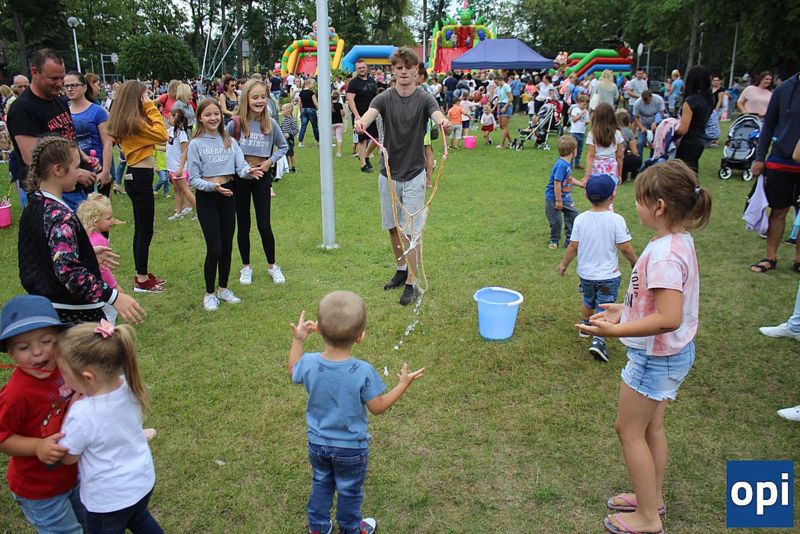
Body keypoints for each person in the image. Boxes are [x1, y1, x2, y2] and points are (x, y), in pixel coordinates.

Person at [577, 160, 712, 534]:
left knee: (629, 430)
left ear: (659, 207)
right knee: (651, 427)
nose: (635, 206)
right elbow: (659, 305)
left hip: (655, 358)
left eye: (639, 200)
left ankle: (648, 518)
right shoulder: (677, 241)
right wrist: (625, 310)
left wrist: (617, 331)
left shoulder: (665, 255)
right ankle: (652, 497)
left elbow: (669, 317)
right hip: (669, 354)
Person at [288, 290, 425, 534]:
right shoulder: (362, 371)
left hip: (317, 443)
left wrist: (299, 340)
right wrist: (403, 385)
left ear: (319, 329)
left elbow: (293, 371)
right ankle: (351, 529)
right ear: (360, 336)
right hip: (351, 448)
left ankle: (318, 527)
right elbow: (378, 407)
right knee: (349, 490)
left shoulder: (308, 363)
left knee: (321, 482)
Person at [355, 47, 451, 306]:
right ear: (393, 71)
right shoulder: (384, 98)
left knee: (411, 232)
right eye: (399, 68)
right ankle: (401, 268)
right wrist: (361, 122)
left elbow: (437, 115)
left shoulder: (425, 98)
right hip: (387, 174)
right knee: (392, 227)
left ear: (417, 70)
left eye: (409, 67)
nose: (404, 72)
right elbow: (369, 115)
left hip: (414, 175)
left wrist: (444, 122)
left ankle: (412, 281)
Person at [18, 136, 144, 325]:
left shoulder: (34, 204)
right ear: (58, 170)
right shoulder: (60, 216)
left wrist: (86, 255)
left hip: (46, 308)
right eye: (76, 167)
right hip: (73, 316)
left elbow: (46, 256)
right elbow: (69, 273)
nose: (79, 173)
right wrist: (114, 297)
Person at [57, 321, 162, 534]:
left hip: (108, 500)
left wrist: (69, 412)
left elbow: (68, 457)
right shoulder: (130, 386)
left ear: (88, 377)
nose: (62, 379)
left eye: (64, 373)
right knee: (140, 518)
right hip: (142, 481)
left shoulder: (82, 414)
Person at [0, 295, 86, 534]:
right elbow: (2, 438)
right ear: (10, 353)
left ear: (59, 340)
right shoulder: (15, 394)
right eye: (23, 347)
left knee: (91, 522)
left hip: (73, 473)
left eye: (47, 341)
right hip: (39, 490)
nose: (38, 352)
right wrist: (37, 446)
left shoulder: (64, 369)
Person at [188, 98, 263, 311]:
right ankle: (209, 293)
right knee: (214, 249)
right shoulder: (196, 144)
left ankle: (223, 288)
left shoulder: (229, 140)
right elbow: (193, 179)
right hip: (208, 198)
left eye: (216, 114)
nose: (213, 118)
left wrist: (248, 171)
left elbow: (240, 166)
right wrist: (213, 187)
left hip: (228, 195)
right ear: (200, 118)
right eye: (208, 114)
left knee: (227, 247)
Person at [6, 49, 97, 212]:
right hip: (49, 194)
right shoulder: (22, 109)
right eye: (54, 78)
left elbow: (68, 137)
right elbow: (32, 157)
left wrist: (83, 157)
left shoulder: (59, 102)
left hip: (73, 187)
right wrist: (76, 173)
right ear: (35, 72)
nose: (60, 84)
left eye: (62, 78)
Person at [559, 174, 637, 362]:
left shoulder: (580, 219)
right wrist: (635, 262)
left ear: (586, 195)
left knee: (588, 300)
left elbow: (573, 246)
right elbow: (625, 247)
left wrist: (564, 264)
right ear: (613, 196)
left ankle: (586, 326)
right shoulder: (616, 220)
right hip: (608, 276)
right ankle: (598, 340)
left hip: (586, 275)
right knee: (605, 305)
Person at [106, 80, 169, 293]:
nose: (148, 98)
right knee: (144, 229)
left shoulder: (128, 121)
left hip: (136, 176)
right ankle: (141, 279)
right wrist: (150, 105)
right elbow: (162, 134)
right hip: (139, 177)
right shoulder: (136, 123)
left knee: (142, 228)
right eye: (145, 95)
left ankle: (142, 273)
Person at [225, 80, 289, 287]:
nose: (260, 101)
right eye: (255, 97)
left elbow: (283, 146)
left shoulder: (270, 123)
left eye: (263, 97)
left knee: (264, 224)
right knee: (243, 224)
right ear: (246, 99)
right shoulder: (235, 123)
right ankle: (246, 267)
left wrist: (269, 162)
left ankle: (272, 266)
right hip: (241, 179)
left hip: (262, 178)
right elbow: (224, 146)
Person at [749, 73, 800, 273]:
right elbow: (768, 125)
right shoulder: (783, 89)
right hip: (781, 162)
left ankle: (799, 259)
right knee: (778, 211)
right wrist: (759, 158)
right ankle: (770, 257)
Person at [77, 193, 125, 324]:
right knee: (111, 311)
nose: (112, 221)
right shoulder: (100, 241)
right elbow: (103, 270)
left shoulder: (84, 235)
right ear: (95, 220)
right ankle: (107, 331)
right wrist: (115, 286)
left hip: (86, 284)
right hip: (99, 285)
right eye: (108, 218)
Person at [64, 71, 113, 198]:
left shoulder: (98, 111)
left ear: (85, 87)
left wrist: (106, 171)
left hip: (97, 169)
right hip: (75, 171)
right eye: (66, 86)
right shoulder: (63, 113)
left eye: (74, 85)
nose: (70, 89)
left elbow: (107, 142)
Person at [674, 65, 713, 176]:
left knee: (682, 175)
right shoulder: (709, 100)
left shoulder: (690, 102)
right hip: (700, 139)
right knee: (692, 172)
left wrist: (670, 130)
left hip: (687, 142)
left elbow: (683, 129)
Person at [544, 136, 581, 250]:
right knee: (556, 221)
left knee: (573, 215)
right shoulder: (561, 165)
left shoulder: (567, 163)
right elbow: (557, 183)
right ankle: (554, 240)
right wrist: (558, 201)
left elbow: (568, 178)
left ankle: (570, 240)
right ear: (573, 150)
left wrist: (580, 184)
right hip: (554, 199)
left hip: (566, 198)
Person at [347, 60, 379, 173]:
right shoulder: (353, 83)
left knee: (376, 137)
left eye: (363, 67)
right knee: (362, 140)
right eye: (359, 68)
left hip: (372, 114)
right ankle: (363, 165)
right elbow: (350, 99)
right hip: (360, 116)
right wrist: (356, 115)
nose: (361, 69)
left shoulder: (372, 80)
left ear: (367, 68)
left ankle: (365, 155)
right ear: (356, 69)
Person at [165, 108, 197, 221]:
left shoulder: (181, 134)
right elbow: (169, 146)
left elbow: (184, 151)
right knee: (177, 190)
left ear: (176, 116)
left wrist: (180, 167)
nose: (168, 118)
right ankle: (179, 213)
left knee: (185, 190)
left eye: (170, 116)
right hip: (172, 167)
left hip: (179, 168)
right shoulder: (170, 132)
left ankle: (200, 211)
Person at [583, 103, 624, 184]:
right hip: (611, 166)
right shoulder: (617, 133)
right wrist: (619, 174)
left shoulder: (592, 134)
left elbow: (591, 155)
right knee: (610, 190)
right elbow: (619, 155)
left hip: (596, 166)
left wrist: (586, 176)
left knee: (596, 189)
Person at [632, 90, 665, 163]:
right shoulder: (637, 103)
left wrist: (655, 122)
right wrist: (641, 127)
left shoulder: (658, 99)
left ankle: (652, 161)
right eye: (644, 101)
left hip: (656, 122)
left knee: (654, 143)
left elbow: (661, 113)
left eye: (647, 100)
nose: (646, 102)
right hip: (643, 122)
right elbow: (636, 117)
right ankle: (639, 162)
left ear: (651, 97)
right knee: (640, 142)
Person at [617, 109, 642, 182]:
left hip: (611, 157)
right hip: (622, 157)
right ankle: (629, 174)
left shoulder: (612, 129)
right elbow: (634, 151)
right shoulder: (629, 132)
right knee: (636, 159)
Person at [570, 94, 590, 169]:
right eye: (583, 104)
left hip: (582, 132)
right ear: (579, 103)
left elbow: (586, 121)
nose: (585, 106)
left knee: (580, 149)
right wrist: (581, 113)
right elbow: (574, 120)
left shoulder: (586, 112)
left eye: (586, 104)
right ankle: (570, 163)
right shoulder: (575, 110)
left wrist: (588, 121)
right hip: (575, 132)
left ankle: (577, 163)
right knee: (573, 148)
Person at [298, 78, 319, 147]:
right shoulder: (311, 93)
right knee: (315, 126)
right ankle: (318, 140)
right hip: (311, 110)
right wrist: (318, 108)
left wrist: (300, 111)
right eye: (313, 84)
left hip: (304, 110)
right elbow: (315, 103)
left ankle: (300, 142)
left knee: (303, 126)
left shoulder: (301, 92)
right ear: (308, 84)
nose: (313, 85)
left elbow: (299, 103)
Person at [494, 75, 513, 149]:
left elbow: (511, 98)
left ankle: (501, 144)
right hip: (500, 105)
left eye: (496, 82)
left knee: (504, 126)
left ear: (501, 80)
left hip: (506, 106)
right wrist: (494, 107)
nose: (496, 84)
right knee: (501, 126)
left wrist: (505, 107)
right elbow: (499, 97)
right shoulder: (500, 87)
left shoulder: (506, 86)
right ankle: (511, 141)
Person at [280, 103, 299, 173]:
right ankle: (287, 167)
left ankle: (293, 167)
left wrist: (289, 135)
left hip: (289, 140)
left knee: (291, 154)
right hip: (284, 140)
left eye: (283, 110)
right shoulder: (284, 120)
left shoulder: (292, 120)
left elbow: (296, 129)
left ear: (288, 111)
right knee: (285, 153)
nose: (282, 112)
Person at [331, 89, 345, 157]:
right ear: (338, 97)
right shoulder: (340, 105)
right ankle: (339, 152)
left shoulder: (329, 105)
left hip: (331, 123)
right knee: (339, 138)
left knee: (330, 138)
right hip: (339, 123)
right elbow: (343, 114)